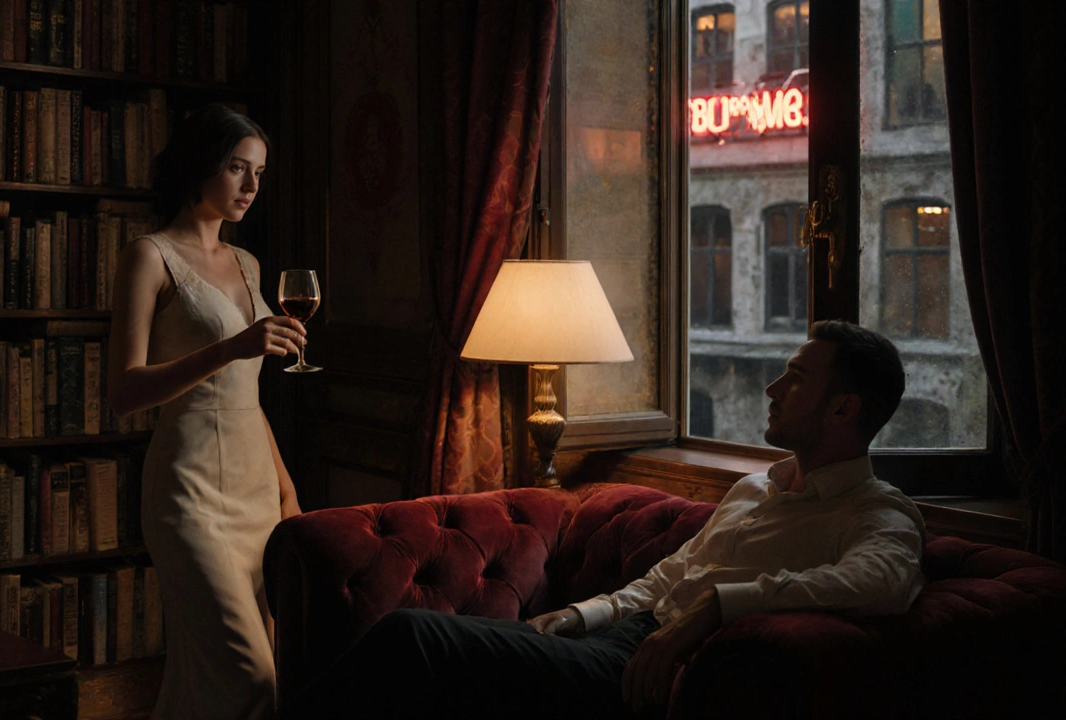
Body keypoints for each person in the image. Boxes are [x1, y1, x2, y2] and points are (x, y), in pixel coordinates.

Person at [281, 320, 926, 720]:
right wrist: (583, 613)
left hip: (654, 671)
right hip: (617, 635)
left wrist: (716, 610)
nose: (772, 389)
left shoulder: (877, 512)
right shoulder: (757, 487)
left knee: (413, 639)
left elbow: (882, 585)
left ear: (843, 409)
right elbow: (671, 574)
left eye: (796, 379)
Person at [107, 103, 306, 720]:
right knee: (250, 676)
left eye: (260, 173)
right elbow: (123, 392)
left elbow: (247, 394)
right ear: (201, 166)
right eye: (237, 168)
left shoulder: (247, 263)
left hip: (256, 491)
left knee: (222, 673)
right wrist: (233, 346)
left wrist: (287, 488)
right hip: (189, 493)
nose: (251, 186)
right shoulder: (150, 256)